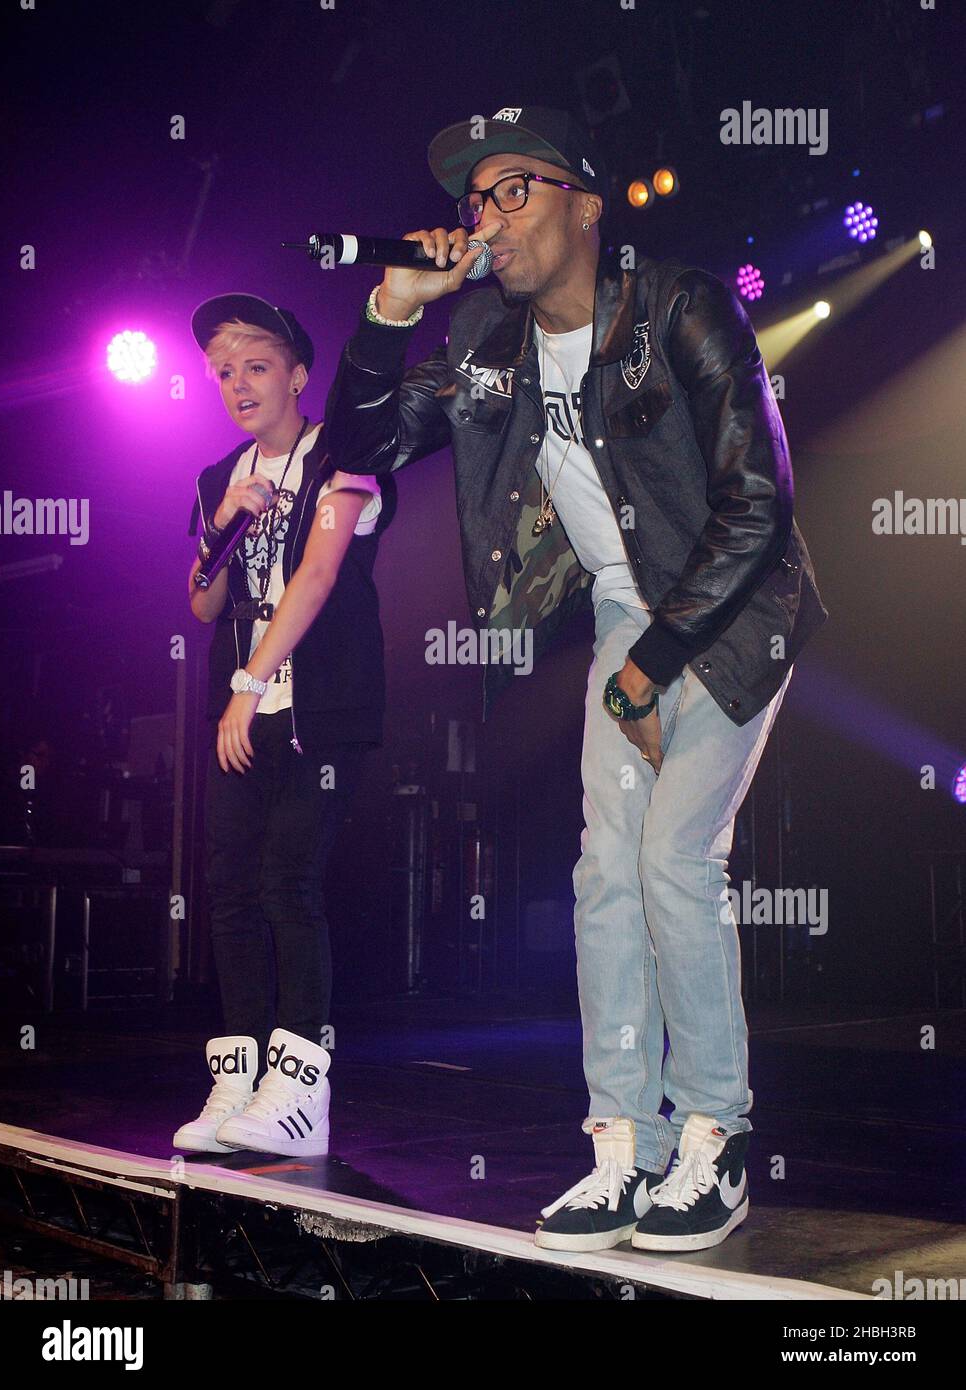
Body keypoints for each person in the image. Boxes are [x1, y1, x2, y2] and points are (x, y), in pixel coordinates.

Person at [324, 106, 828, 1250]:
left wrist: (651, 664)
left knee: (669, 859)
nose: (486, 217)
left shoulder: (679, 306)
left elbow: (757, 504)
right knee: (604, 870)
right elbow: (358, 453)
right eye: (475, 198)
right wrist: (386, 317)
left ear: (583, 205)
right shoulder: (485, 344)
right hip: (620, 613)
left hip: (732, 610)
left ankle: (715, 1133)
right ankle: (621, 1144)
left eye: (515, 189)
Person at [173, 294, 395, 1158]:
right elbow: (198, 602)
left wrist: (247, 681)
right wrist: (224, 525)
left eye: (256, 365)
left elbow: (320, 572)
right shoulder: (213, 476)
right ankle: (239, 1079)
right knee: (229, 892)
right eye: (223, 371)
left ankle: (302, 1089)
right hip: (241, 719)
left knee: (287, 886)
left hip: (318, 711)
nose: (238, 383)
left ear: (300, 375)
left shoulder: (346, 453)